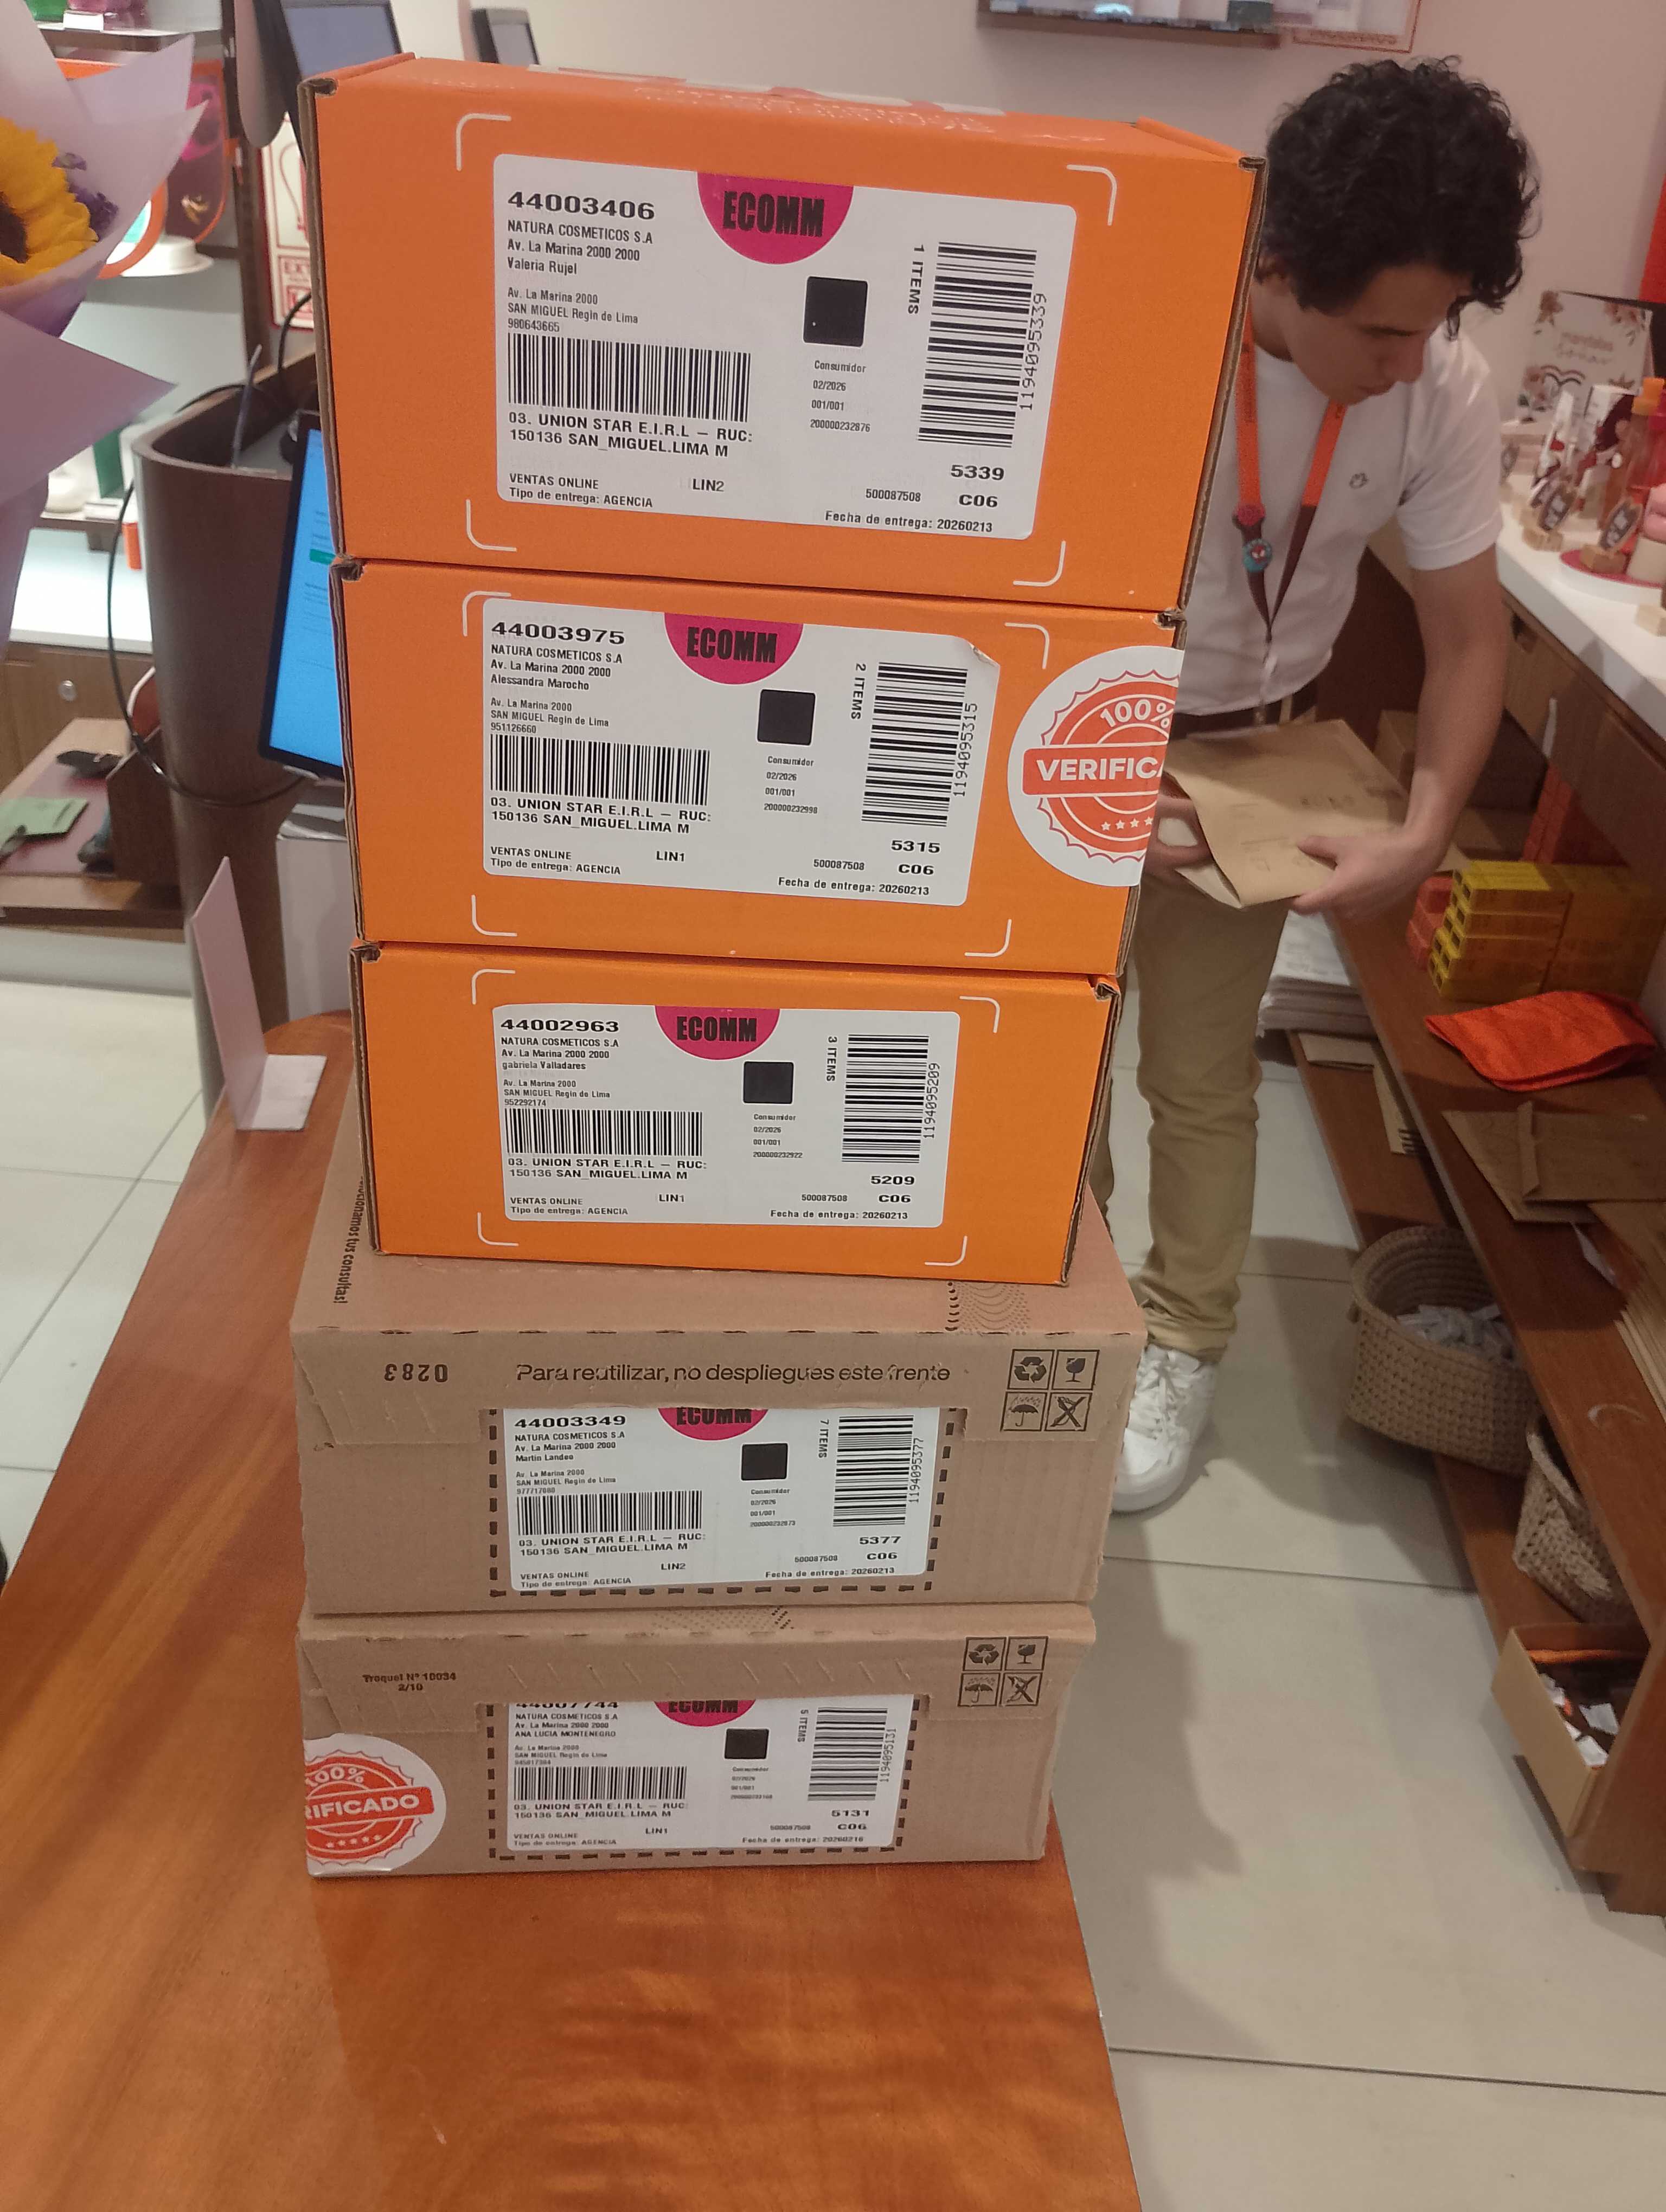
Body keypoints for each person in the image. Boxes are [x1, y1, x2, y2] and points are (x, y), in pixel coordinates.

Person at [1110, 58, 1539, 1514]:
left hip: (1258, 754)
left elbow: (1467, 632)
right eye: (1384, 332)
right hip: (1082, 736)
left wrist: (1423, 832)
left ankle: (1181, 1340)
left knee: (1200, 1079)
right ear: (1278, 263)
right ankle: (1054, 1318)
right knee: (1048, 1068)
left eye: (1440, 324)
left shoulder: (1438, 383)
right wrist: (1083, 779)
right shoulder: (1142, 322)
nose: (1411, 363)